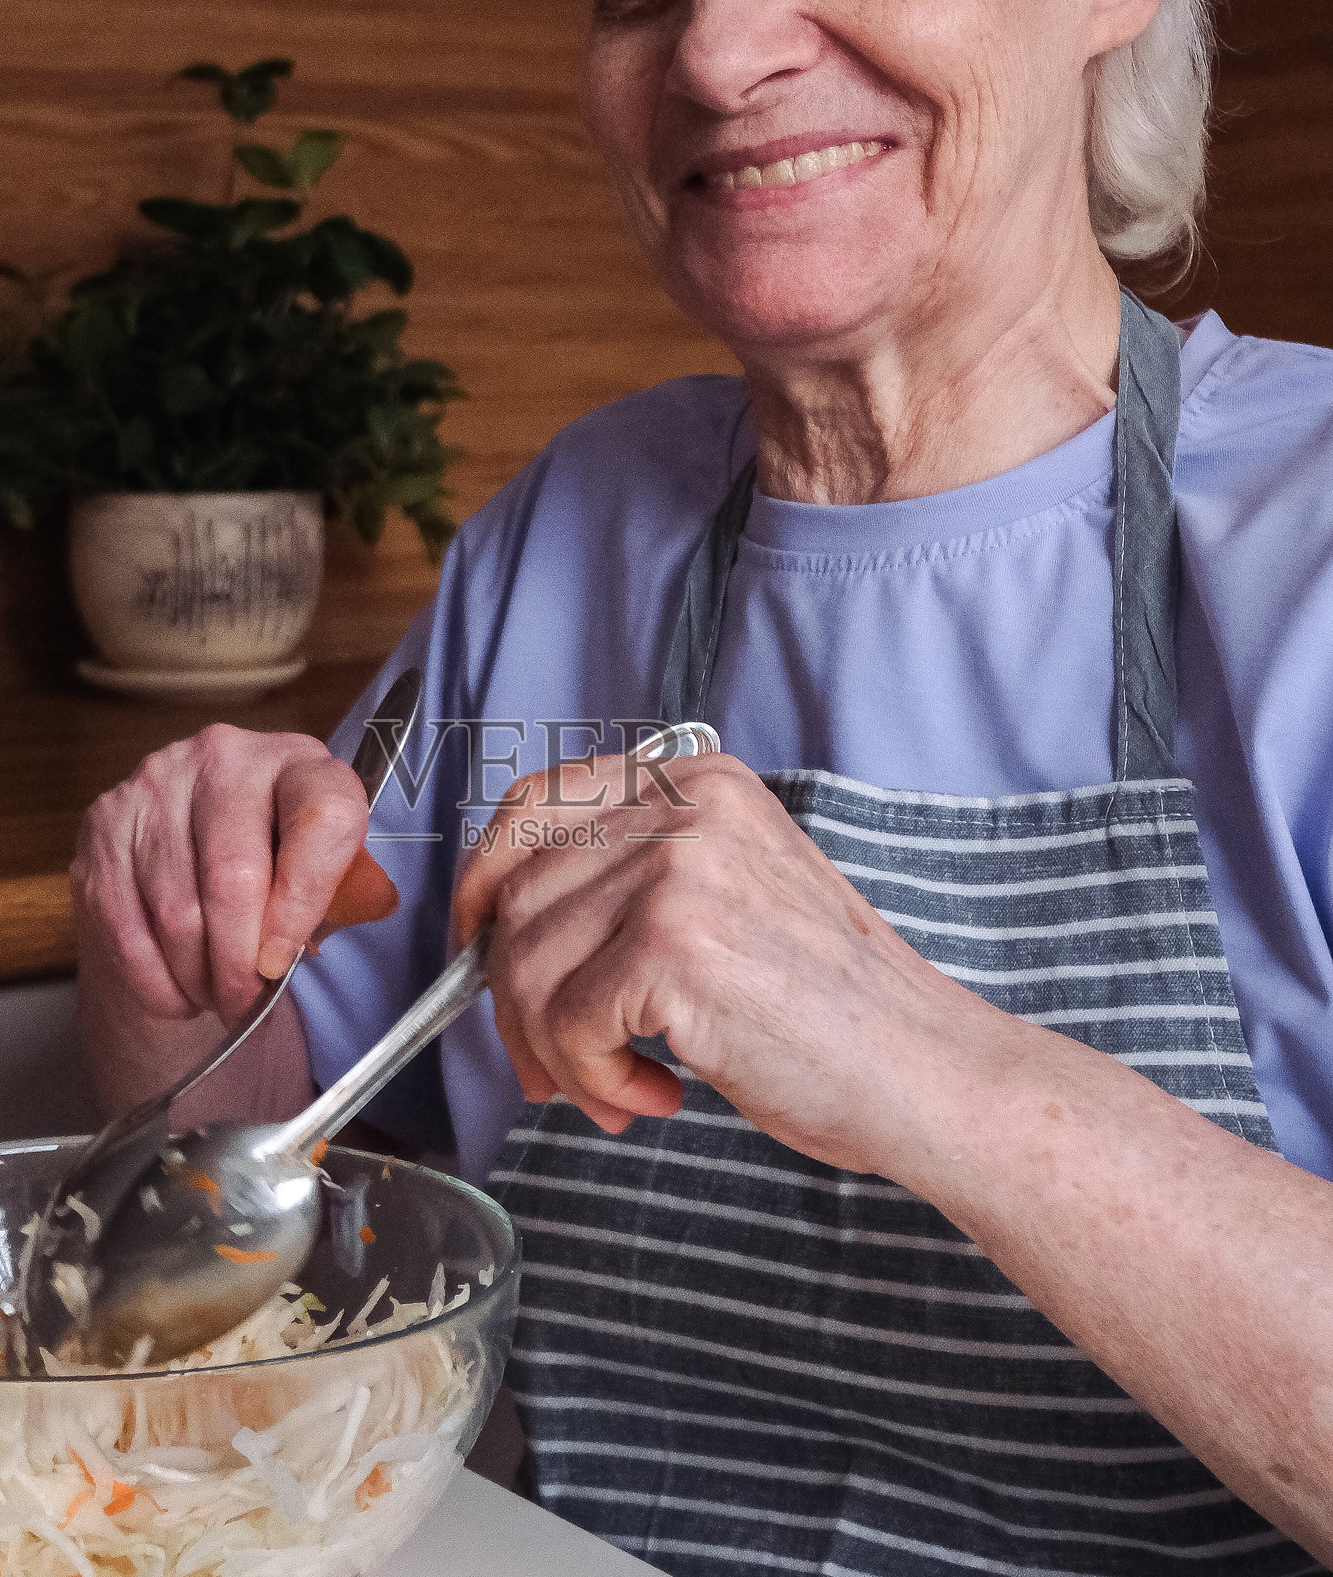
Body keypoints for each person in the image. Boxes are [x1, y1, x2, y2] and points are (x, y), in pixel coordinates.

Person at [71, 1, 1333, 1572]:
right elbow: (270, 1230)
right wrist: (175, 932)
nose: (718, 57)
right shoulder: (569, 528)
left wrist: (917, 1056)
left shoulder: (1310, 537)